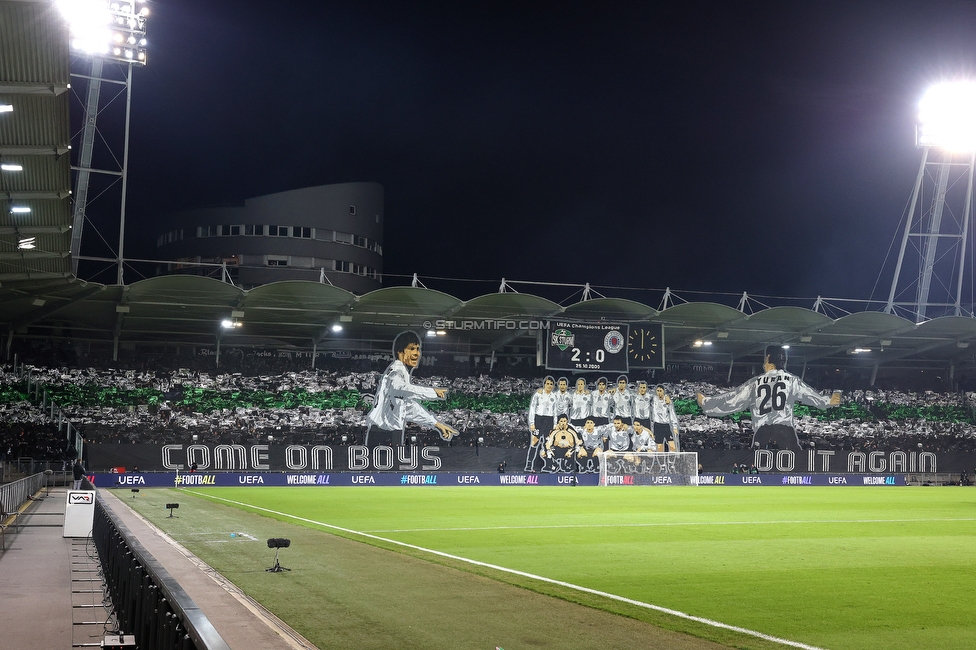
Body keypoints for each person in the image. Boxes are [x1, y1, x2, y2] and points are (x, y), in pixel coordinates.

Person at [697, 345, 840, 453]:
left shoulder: (756, 382)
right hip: (786, 430)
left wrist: (706, 403)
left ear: (768, 358)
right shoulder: (791, 380)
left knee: (757, 461)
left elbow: (733, 400)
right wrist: (828, 401)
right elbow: (811, 396)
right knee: (796, 462)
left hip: (763, 431)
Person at [365, 331, 458, 446]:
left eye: (418, 349)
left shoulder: (402, 372)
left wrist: (437, 424)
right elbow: (402, 389)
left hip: (388, 433)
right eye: (412, 349)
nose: (417, 353)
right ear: (400, 352)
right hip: (383, 434)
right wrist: (433, 392)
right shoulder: (396, 371)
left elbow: (408, 407)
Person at [525, 376, 557, 472]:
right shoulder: (538, 394)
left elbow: (555, 412)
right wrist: (532, 422)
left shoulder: (554, 396)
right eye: (548, 384)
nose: (549, 386)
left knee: (548, 444)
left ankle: (549, 466)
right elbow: (532, 408)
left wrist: (555, 425)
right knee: (534, 442)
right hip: (539, 419)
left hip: (549, 420)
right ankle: (529, 466)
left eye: (551, 384)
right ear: (544, 384)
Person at [651, 384, 681, 452]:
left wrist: (675, 427)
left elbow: (672, 414)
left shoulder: (667, 401)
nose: (659, 392)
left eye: (660, 391)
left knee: (672, 445)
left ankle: (672, 460)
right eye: (658, 391)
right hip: (657, 425)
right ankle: (661, 462)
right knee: (659, 447)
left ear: (663, 391)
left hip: (666, 425)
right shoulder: (654, 399)